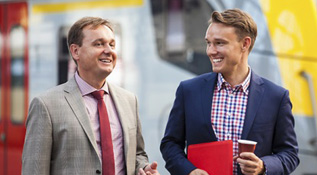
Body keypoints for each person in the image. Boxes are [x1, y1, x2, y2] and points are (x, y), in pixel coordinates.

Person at [160, 8, 299, 175]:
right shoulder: (188, 90)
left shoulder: (276, 97)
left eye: (220, 43)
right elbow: (170, 144)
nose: (211, 51)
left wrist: (263, 166)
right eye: (208, 43)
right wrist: (190, 171)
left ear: (245, 44)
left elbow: (289, 154)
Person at [22, 17, 160, 175]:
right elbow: (34, 170)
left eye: (112, 44)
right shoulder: (46, 105)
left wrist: (143, 169)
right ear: (75, 51)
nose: (109, 50)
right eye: (99, 44)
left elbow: (137, 154)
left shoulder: (129, 100)